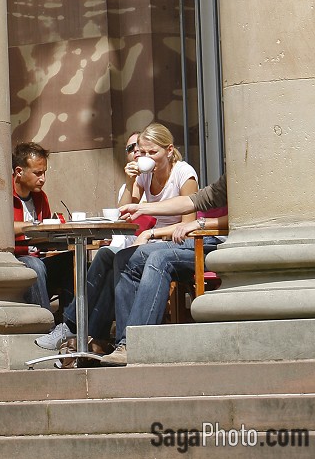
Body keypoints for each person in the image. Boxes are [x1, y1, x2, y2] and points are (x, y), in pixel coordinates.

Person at [99, 169, 228, 365]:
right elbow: (192, 201)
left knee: (159, 259)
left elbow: (244, 218)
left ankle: (136, 345)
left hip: (218, 243)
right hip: (196, 238)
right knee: (125, 258)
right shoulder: (232, 177)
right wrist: (143, 208)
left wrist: (200, 223)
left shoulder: (185, 172)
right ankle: (122, 344)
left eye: (151, 151)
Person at [35, 130, 142, 353]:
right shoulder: (132, 184)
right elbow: (122, 214)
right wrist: (131, 181)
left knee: (111, 262)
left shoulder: (177, 175)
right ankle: (85, 335)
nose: (137, 153)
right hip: (125, 248)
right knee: (104, 258)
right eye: (130, 149)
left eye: (142, 148)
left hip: (146, 248)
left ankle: (76, 330)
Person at [12, 142, 71, 311]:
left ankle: (70, 325)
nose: (43, 179)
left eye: (44, 172)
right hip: (15, 259)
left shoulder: (40, 197)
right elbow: (0, 227)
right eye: (38, 173)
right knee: (34, 265)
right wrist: (33, 225)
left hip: (39, 257)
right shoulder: (4, 194)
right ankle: (44, 326)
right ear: (19, 172)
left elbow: (45, 232)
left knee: (73, 262)